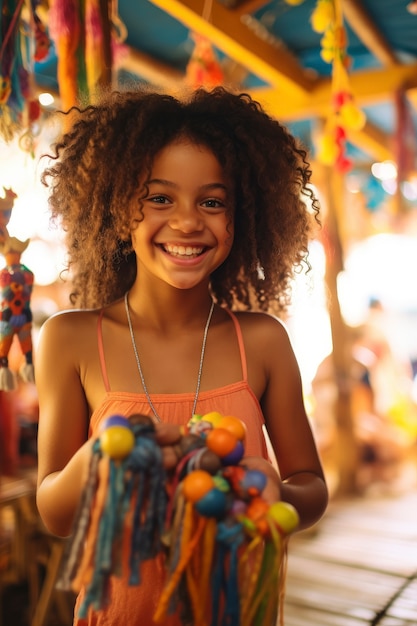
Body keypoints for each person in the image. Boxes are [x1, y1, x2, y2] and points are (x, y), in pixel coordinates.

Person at [35, 86, 328, 626]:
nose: (189, 222)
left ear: (238, 220)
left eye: (212, 202)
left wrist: (268, 494)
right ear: (121, 209)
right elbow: (54, 513)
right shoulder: (70, 338)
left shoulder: (262, 341)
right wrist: (101, 457)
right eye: (159, 198)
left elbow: (311, 486)